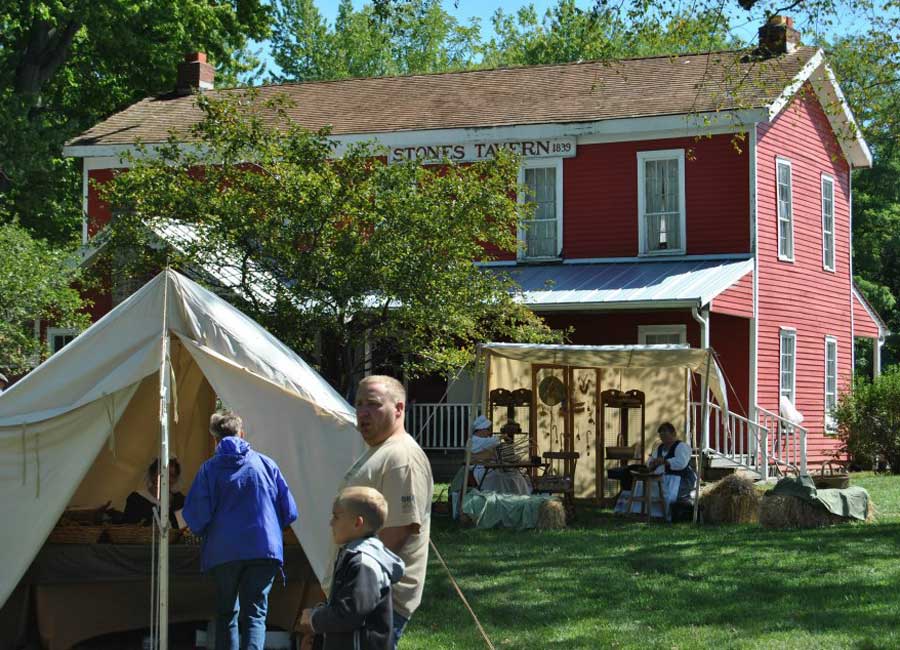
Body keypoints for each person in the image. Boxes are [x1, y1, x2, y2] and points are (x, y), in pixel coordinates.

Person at [183, 411, 298, 650]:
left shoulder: (208, 470)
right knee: (255, 614)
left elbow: (196, 517)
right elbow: (289, 511)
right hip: (264, 548)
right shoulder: (266, 463)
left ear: (214, 438)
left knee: (227, 613)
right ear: (242, 433)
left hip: (223, 551)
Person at [337, 375, 433, 649]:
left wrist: (356, 587)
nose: (363, 413)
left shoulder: (401, 457)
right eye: (358, 404)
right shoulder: (379, 451)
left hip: (378, 600)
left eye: (374, 404)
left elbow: (398, 530)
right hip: (360, 595)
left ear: (399, 409)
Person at [300, 486, 405, 650]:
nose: (330, 522)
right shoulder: (353, 556)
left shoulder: (364, 564)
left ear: (357, 522)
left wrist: (315, 618)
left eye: (336, 516)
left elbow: (349, 614)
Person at [468, 415, 531, 495]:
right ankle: (504, 497)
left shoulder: (485, 440)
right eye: (487, 429)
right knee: (501, 477)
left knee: (516, 475)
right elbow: (491, 442)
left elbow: (493, 444)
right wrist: (502, 436)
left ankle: (522, 497)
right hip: (480, 469)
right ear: (481, 430)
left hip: (491, 468)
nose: (488, 432)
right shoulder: (473, 440)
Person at [122, 457, 185, 528]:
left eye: (172, 475)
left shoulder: (180, 501)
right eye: (163, 473)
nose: (168, 479)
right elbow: (130, 530)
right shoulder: (137, 500)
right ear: (152, 475)